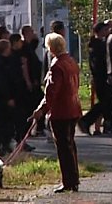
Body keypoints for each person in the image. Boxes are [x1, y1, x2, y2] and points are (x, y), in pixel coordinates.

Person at [31, 33, 81, 194]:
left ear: (50, 48)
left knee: (63, 148)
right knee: (70, 145)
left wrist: (41, 110)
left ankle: (68, 181)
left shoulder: (56, 66)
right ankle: (74, 179)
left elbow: (51, 92)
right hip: (73, 107)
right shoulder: (71, 61)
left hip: (61, 111)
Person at [0, 38, 21, 155]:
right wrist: (8, 98)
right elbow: (1, 82)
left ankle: (4, 144)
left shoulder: (6, 60)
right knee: (1, 122)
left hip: (7, 95)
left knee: (7, 122)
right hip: (1, 97)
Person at [79, 22, 112, 135]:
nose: (107, 32)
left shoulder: (95, 44)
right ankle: (86, 120)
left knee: (106, 102)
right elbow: (100, 63)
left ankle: (94, 122)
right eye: (105, 30)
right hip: (101, 77)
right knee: (106, 101)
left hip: (99, 77)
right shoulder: (99, 45)